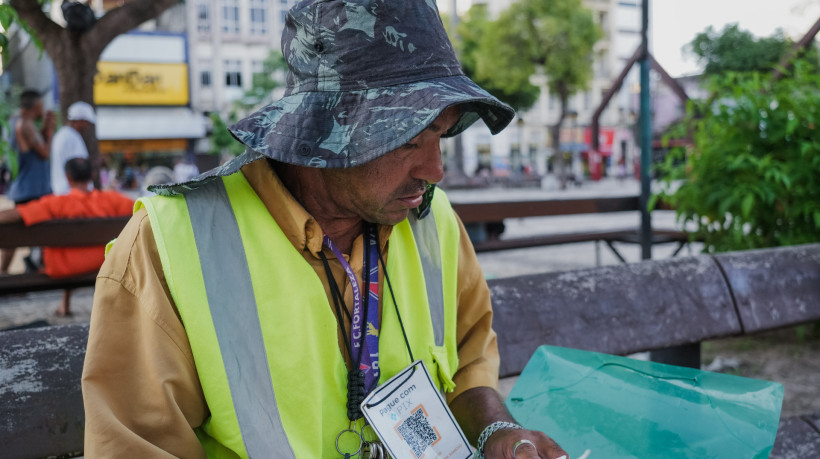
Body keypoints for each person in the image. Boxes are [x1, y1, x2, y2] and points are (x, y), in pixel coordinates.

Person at [81, 2, 570, 458]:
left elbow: (469, 359)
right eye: (408, 139)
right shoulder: (167, 245)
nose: (435, 170)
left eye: (440, 134)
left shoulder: (432, 219)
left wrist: (496, 429)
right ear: (325, 131)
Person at [0, 157, 134, 315]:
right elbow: (141, 208)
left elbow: (17, 214)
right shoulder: (112, 200)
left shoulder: (55, 203)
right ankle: (67, 304)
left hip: (64, 269)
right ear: (92, 175)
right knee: (87, 253)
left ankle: (64, 304)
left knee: (65, 254)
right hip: (103, 263)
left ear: (68, 177)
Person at [0, 89, 55, 275]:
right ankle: (10, 272)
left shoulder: (15, 121)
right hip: (32, 189)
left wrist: (46, 127)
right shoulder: (25, 124)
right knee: (26, 234)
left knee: (16, 234)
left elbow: (34, 145)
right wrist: (50, 131)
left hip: (24, 188)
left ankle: (6, 272)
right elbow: (44, 153)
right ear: (37, 106)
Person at [51, 101, 96, 195]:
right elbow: (79, 167)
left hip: (61, 190)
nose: (87, 126)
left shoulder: (61, 134)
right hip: (73, 192)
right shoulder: (72, 137)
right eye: (86, 122)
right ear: (80, 120)